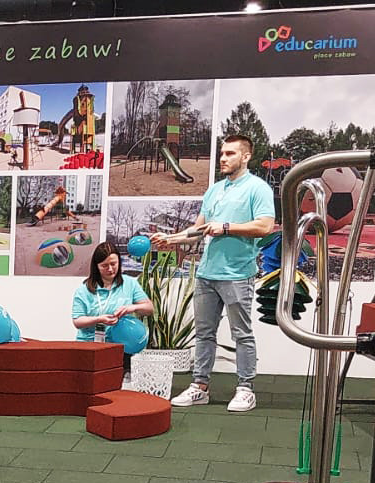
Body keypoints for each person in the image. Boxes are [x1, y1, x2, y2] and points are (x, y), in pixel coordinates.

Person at [153, 133, 276, 412]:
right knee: (204, 333)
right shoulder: (214, 190)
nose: (223, 158)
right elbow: (198, 230)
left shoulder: (258, 188)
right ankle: (200, 387)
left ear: (246, 157)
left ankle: (245, 389)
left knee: (241, 334)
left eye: (230, 153)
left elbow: (265, 226)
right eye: (222, 153)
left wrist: (227, 227)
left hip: (238, 274)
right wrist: (170, 239)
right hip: (207, 274)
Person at [72, 241, 153, 379]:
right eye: (104, 266)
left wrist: (132, 308)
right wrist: (99, 319)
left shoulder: (129, 283)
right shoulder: (83, 290)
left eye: (113, 264)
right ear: (96, 266)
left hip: (121, 348)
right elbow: (77, 321)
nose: (110, 269)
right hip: (90, 347)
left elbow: (149, 308)